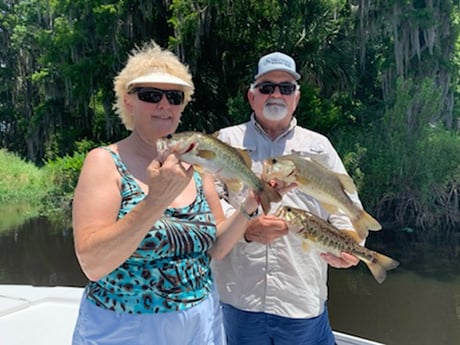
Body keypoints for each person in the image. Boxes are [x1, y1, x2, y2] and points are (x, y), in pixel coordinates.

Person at [71, 40, 260, 345]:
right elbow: (93, 264)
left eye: (174, 97)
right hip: (126, 327)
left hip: (200, 320)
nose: (164, 104)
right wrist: (155, 200)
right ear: (128, 102)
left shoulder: (197, 168)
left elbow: (216, 247)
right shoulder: (105, 162)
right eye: (150, 95)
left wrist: (250, 206)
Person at [212, 52, 362, 345]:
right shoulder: (225, 142)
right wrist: (245, 230)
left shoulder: (319, 147)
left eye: (286, 87)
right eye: (267, 87)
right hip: (239, 298)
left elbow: (347, 207)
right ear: (251, 96)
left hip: (300, 298)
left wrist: (351, 248)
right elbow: (211, 206)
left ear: (297, 97)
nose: (276, 94)